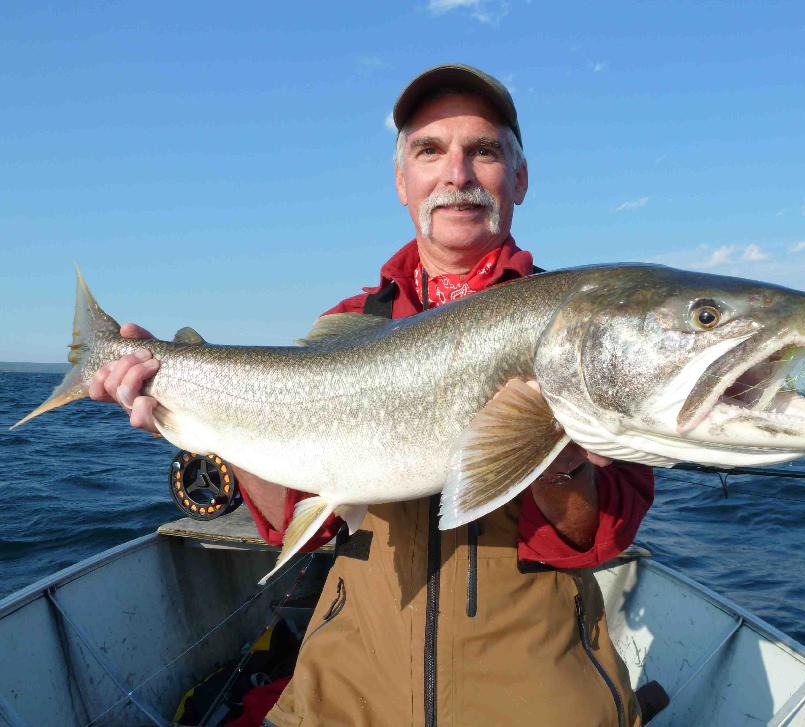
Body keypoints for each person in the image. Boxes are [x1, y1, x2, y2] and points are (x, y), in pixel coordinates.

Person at [91, 64, 655, 727]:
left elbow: (598, 536)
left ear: (520, 178)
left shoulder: (582, 324)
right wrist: (202, 416)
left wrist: (551, 440)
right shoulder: (348, 323)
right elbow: (293, 517)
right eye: (429, 150)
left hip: (537, 692)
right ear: (401, 182)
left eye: (485, 149)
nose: (458, 173)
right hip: (347, 691)